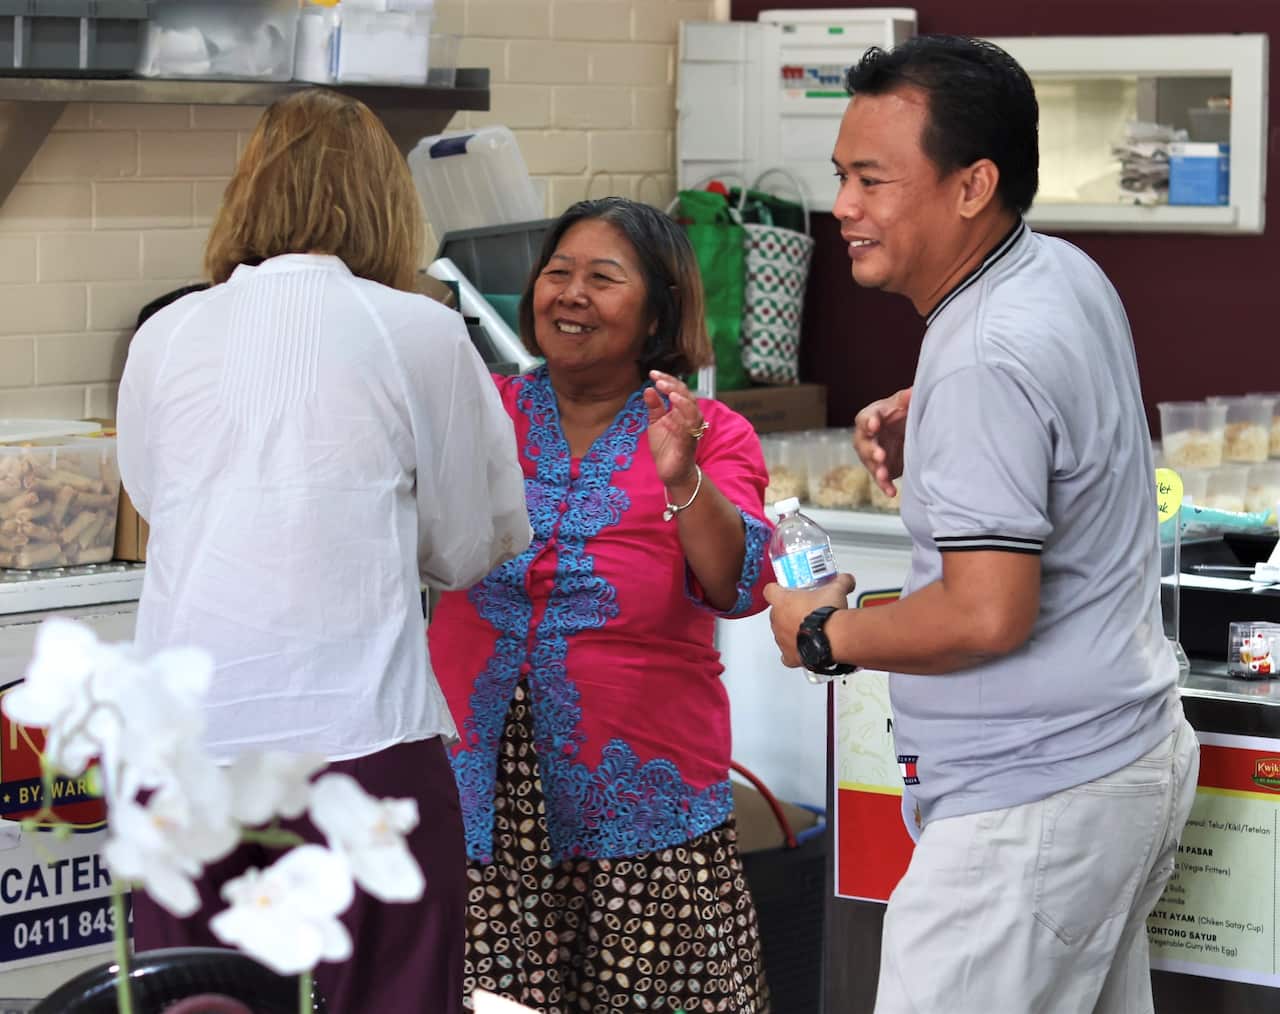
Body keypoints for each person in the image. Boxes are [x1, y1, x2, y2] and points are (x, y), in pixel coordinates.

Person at [765, 35, 1200, 1014]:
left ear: (971, 186)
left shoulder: (982, 356)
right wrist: (939, 401)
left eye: (871, 180)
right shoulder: (1054, 273)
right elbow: (1040, 388)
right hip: (1115, 762)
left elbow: (981, 615)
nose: (841, 208)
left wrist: (820, 633)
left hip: (1029, 811)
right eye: (841, 176)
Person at [116, 88, 530, 1014]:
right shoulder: (420, 331)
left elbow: (154, 500)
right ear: (389, 202)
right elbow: (472, 544)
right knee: (389, 995)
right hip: (360, 737)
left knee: (198, 1002)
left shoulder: (164, 332)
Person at [428, 196, 775, 1013]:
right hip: (478, 801)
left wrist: (681, 476)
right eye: (557, 273)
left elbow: (735, 585)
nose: (571, 294)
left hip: (642, 805)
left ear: (658, 311)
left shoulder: (712, 431)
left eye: (602, 278)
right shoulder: (482, 411)